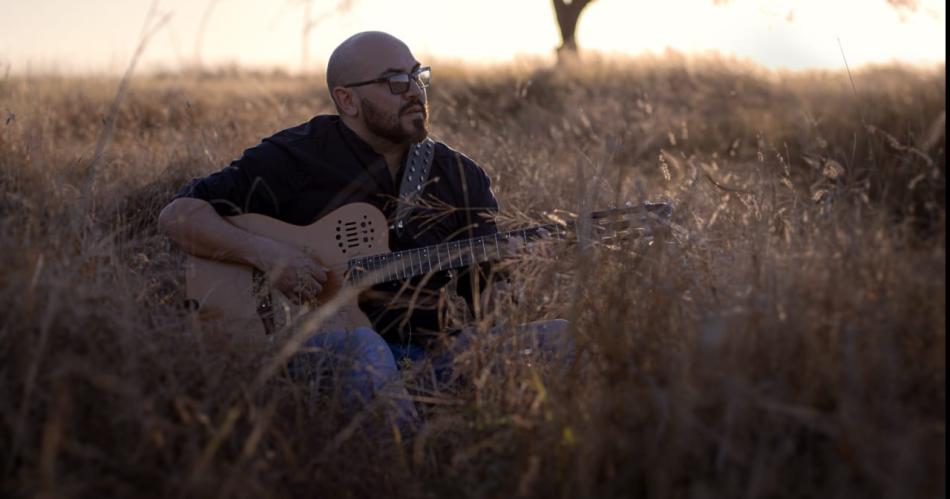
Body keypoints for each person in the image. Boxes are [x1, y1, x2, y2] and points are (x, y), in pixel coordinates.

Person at [158, 31, 569, 431]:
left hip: (429, 356)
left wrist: (519, 271)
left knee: (562, 337)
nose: (414, 91)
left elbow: (487, 305)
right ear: (347, 99)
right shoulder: (294, 156)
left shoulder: (460, 175)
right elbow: (179, 215)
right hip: (320, 349)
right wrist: (267, 255)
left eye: (417, 75)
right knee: (366, 349)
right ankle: (404, 468)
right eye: (395, 81)